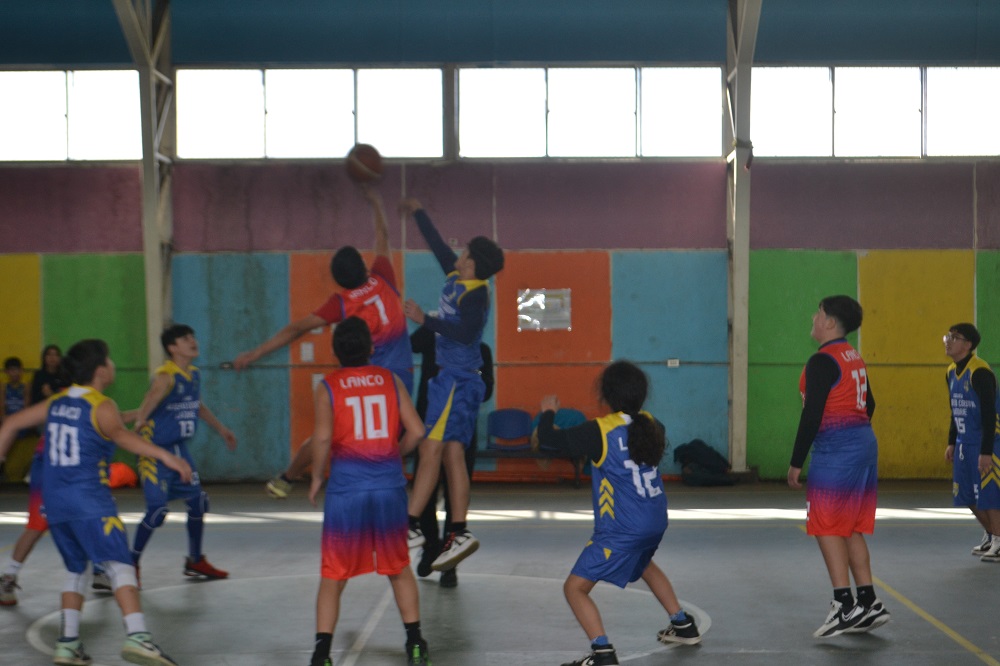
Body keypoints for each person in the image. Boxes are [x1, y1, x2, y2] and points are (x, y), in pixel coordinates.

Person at [0, 338, 190, 666]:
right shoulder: (101, 404)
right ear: (101, 370)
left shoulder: (57, 402)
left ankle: (68, 642)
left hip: (56, 505)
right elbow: (120, 435)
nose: (113, 364)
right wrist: (165, 456)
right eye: (110, 359)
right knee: (120, 565)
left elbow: (11, 423)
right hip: (90, 501)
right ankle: (138, 636)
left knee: (76, 570)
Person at [231, 185, 413, 499]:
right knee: (399, 435)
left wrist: (255, 352)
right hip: (397, 381)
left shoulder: (341, 303)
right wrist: (376, 202)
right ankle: (384, 481)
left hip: (360, 380)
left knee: (326, 435)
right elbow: (383, 235)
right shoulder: (383, 276)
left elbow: (295, 329)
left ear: (339, 280)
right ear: (363, 265)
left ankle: (287, 477)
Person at [536, 360, 700, 666]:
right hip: (655, 520)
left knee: (575, 588)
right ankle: (682, 624)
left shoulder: (599, 431)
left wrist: (548, 411)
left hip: (623, 529)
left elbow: (550, 441)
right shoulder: (652, 424)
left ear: (606, 396)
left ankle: (602, 653)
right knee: (645, 565)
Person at [307, 317, 431, 666]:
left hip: (347, 490)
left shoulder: (328, 386)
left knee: (334, 575)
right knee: (398, 568)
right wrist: (395, 452)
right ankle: (416, 644)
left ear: (335, 352)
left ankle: (322, 654)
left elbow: (321, 438)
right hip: (389, 488)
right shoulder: (390, 380)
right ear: (371, 347)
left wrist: (317, 476)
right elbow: (418, 431)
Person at [399, 197, 504, 572]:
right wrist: (418, 212)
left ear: (472, 262)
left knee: (430, 450)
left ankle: (410, 525)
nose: (458, 253)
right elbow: (439, 245)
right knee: (451, 454)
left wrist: (422, 318)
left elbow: (465, 332)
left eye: (465, 252)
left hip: (458, 381)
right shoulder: (457, 276)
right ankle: (457, 531)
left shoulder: (476, 294)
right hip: (455, 380)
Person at [787, 295, 891, 638]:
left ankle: (843, 605)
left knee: (826, 526)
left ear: (830, 322)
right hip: (864, 444)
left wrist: (795, 462)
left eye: (817, 314)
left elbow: (811, 414)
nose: (813, 318)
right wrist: (854, 433)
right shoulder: (852, 355)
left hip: (838, 454)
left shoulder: (822, 361)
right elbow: (870, 402)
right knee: (850, 527)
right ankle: (869, 601)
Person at [130, 324, 237, 582]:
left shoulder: (193, 374)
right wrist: (141, 419)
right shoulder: (165, 376)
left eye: (193, 336)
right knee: (157, 512)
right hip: (155, 451)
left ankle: (195, 560)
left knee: (198, 502)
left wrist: (221, 429)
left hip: (178, 449)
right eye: (186, 338)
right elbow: (150, 398)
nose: (193, 341)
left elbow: (195, 405)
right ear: (172, 347)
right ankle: (129, 563)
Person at [410, 324, 494, 587]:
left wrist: (467, 380)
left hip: (460, 431)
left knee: (455, 498)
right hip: (428, 430)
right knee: (425, 492)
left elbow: (487, 390)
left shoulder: (481, 350)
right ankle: (430, 547)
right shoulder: (433, 338)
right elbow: (410, 344)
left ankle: (450, 562)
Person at [942, 323, 1000, 561]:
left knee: (989, 495)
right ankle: (991, 534)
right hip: (964, 443)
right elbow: (955, 409)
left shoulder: (980, 372)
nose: (948, 340)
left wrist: (987, 451)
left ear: (968, 345)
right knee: (966, 495)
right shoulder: (950, 372)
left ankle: (999, 539)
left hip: (986, 443)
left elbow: (989, 414)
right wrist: (952, 441)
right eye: (948, 336)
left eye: (954, 338)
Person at [1, 356, 37, 482]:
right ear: (6, 372)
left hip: (20, 421)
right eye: (11, 370)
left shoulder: (25, 386)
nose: (15, 373)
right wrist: (5, 420)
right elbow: (2, 407)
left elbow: (26, 406)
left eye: (17, 370)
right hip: (8, 421)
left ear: (22, 371)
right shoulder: (4, 387)